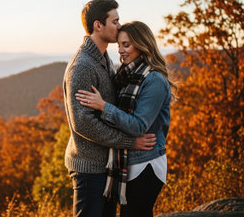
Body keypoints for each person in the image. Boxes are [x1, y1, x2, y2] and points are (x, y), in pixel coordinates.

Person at [63, 0, 157, 217]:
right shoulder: (83, 66)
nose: (120, 26)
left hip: (106, 165)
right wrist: (129, 142)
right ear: (98, 25)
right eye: (115, 21)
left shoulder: (103, 58)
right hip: (89, 168)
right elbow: (83, 124)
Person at [75, 21, 175, 217]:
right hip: (128, 161)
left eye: (126, 45)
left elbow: (138, 126)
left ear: (142, 44)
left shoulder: (154, 80)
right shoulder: (126, 75)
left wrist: (104, 106)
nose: (120, 50)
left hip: (147, 163)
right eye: (119, 45)